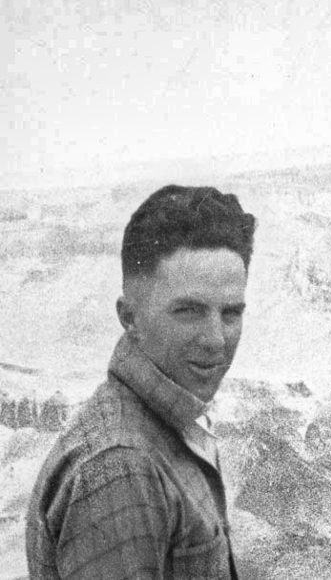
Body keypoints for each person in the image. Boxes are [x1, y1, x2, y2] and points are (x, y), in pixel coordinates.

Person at [26, 185, 256, 580]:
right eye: (189, 311)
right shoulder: (123, 466)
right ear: (129, 317)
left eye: (231, 313)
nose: (216, 339)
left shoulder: (166, 421)